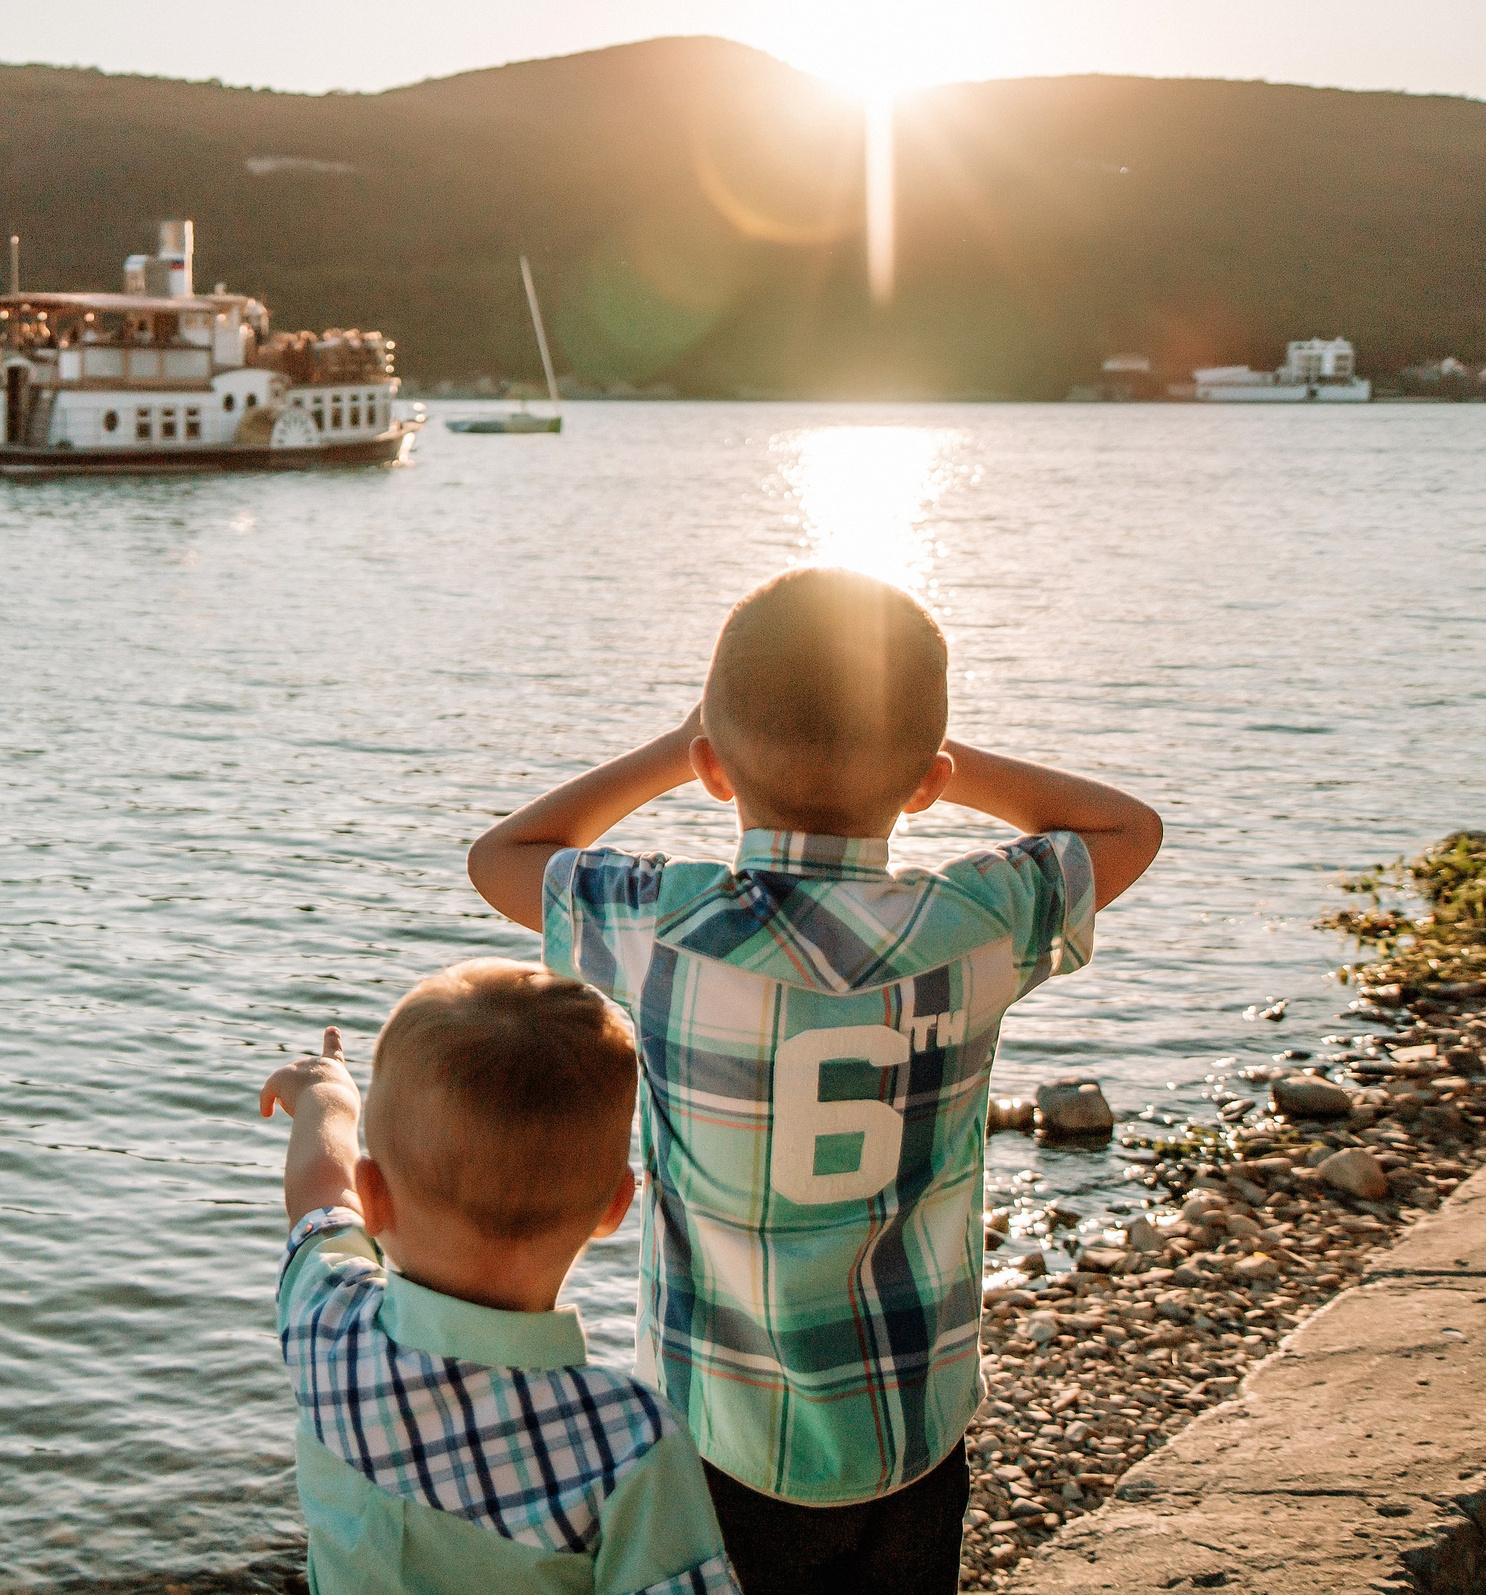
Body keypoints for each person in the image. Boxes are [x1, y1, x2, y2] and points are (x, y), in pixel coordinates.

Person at [465, 566, 1163, 1595]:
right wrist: (937, 765)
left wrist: (673, 752)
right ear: (924, 779)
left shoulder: (666, 927)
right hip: (908, 1420)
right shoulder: (978, 923)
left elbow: (504, 855)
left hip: (724, 1434)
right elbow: (1125, 829)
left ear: (714, 762)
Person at [260, 959, 743, 1595]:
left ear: (372, 1193)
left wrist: (327, 1094)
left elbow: (321, 1196)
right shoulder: (628, 1443)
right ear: (614, 1208)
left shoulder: (326, 1321)